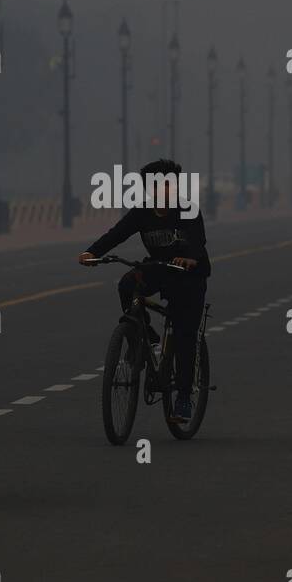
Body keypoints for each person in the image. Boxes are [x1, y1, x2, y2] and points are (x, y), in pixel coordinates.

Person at [79, 158, 210, 424]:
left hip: (189, 275)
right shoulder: (142, 212)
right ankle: (145, 335)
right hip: (159, 268)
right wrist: (93, 252)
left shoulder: (187, 210)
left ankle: (183, 399)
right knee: (127, 284)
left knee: (184, 335)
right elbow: (117, 233)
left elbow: (198, 240)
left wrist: (191, 258)